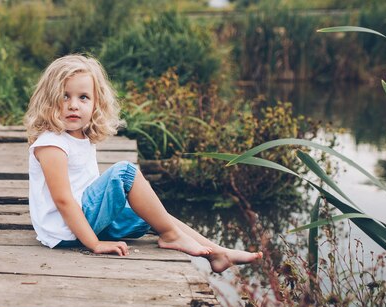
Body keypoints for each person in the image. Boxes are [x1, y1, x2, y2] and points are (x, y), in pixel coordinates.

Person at [24, 54, 262, 273]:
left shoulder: (79, 136)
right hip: (66, 229)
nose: (74, 104)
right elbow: (63, 200)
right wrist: (94, 244)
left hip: (82, 220)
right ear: (49, 101)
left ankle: (217, 252)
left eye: (83, 97)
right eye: (65, 96)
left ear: (96, 103)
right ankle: (170, 236)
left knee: (153, 214)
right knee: (125, 172)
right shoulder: (52, 144)